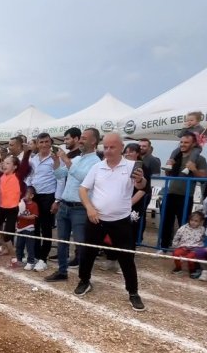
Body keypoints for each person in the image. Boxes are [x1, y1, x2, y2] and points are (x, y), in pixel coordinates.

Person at [74, 133, 149, 311]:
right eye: (105, 147)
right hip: (96, 218)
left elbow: (141, 186)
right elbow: (83, 189)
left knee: (126, 258)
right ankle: (84, 281)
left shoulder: (131, 166)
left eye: (112, 147)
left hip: (121, 220)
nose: (108, 150)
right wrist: (89, 208)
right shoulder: (97, 167)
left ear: (121, 147)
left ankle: (133, 292)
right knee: (87, 253)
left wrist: (140, 179)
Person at [47, 128, 99, 281]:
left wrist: (66, 160)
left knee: (81, 244)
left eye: (84, 138)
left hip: (80, 209)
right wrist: (56, 161)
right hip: (65, 206)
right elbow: (59, 174)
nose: (80, 141)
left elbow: (84, 178)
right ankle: (62, 272)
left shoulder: (96, 162)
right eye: (81, 138)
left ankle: (84, 278)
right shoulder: (76, 159)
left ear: (93, 141)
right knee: (62, 242)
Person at [159, 132, 207, 251]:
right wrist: (169, 166)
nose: (182, 144)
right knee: (165, 222)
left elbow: (203, 179)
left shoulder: (200, 159)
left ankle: (183, 248)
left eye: (186, 142)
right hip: (170, 193)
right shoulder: (176, 156)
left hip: (186, 196)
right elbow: (168, 175)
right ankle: (164, 247)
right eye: (181, 142)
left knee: (184, 223)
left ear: (194, 144)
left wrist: (194, 169)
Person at [21, 132, 60, 271]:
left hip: (48, 196)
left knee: (46, 228)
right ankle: (36, 255)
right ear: (37, 144)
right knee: (34, 227)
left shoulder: (55, 159)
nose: (44, 145)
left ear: (50, 143)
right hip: (35, 197)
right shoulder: (34, 159)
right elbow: (29, 177)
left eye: (46, 142)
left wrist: (57, 200)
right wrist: (28, 191)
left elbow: (60, 180)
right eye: (41, 142)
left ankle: (43, 258)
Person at [170, 210, 206, 275]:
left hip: (195, 249)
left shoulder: (202, 229)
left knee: (190, 257)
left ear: (200, 222)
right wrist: (175, 246)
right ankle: (178, 268)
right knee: (176, 254)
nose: (193, 222)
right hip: (184, 247)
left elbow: (205, 238)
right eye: (192, 220)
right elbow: (176, 237)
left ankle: (192, 269)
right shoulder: (183, 228)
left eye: (196, 221)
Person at [14, 185, 39, 270]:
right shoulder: (20, 203)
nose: (24, 195)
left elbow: (33, 216)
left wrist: (23, 217)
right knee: (19, 245)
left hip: (29, 228)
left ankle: (30, 262)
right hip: (20, 228)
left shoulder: (34, 205)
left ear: (31, 196)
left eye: (26, 194)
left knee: (30, 246)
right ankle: (19, 259)